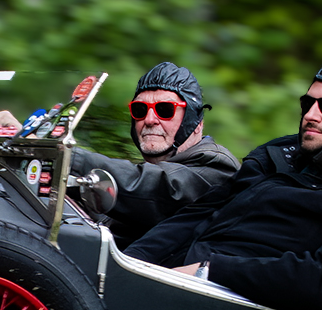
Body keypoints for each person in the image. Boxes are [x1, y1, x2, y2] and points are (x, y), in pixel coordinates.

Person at [125, 58, 322, 310]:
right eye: (308, 103)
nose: (311, 114)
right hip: (174, 286)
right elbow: (196, 215)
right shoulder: (281, 155)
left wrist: (212, 270)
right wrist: (127, 267)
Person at [67, 62, 239, 247]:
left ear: (195, 122)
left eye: (165, 110)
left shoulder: (217, 168)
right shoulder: (150, 171)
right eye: (140, 110)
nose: (149, 120)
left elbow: (157, 190)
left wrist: (70, 159)